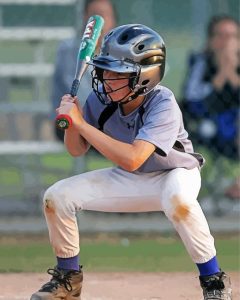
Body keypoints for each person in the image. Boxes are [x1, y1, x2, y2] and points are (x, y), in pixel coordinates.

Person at [30, 24, 232, 300]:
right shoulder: (101, 101)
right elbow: (77, 150)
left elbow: (135, 157)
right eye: (104, 70)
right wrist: (72, 124)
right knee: (57, 196)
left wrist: (82, 124)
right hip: (131, 178)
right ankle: (69, 280)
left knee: (179, 201)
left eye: (117, 73)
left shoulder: (163, 103)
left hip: (175, 173)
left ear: (144, 77)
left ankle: (214, 283)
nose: (105, 78)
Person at [182, 15, 240, 200]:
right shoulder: (201, 62)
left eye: (232, 37)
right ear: (210, 40)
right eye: (221, 36)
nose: (226, 43)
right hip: (210, 126)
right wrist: (221, 75)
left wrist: (233, 74)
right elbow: (192, 99)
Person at [52, 0, 116, 142]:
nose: (102, 23)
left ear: (114, 21)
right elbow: (80, 95)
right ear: (84, 19)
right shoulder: (69, 49)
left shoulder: (118, 51)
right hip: (70, 119)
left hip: (107, 121)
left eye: (105, 15)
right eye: (95, 15)